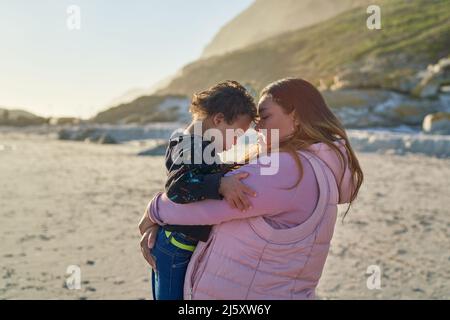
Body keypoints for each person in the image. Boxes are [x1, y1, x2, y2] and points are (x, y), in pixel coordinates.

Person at [140, 78, 364, 299]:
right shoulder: (312, 165)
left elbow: (202, 208)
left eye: (265, 116)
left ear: (295, 116)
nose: (257, 128)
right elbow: (185, 187)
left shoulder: (289, 169)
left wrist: (154, 212)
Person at [142, 80, 258, 300]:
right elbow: (178, 187)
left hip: (176, 242)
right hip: (176, 245)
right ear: (219, 119)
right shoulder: (193, 145)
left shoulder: (192, 143)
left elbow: (199, 173)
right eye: (237, 134)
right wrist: (220, 184)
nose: (237, 142)